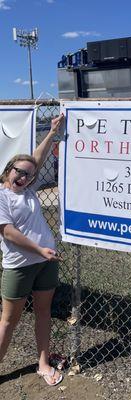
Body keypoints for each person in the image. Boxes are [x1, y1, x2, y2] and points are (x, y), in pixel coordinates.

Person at [0, 114, 64, 386]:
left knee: (43, 313)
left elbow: (36, 158)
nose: (24, 177)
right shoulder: (2, 196)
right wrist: (39, 249)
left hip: (46, 261)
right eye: (19, 172)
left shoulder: (29, 190)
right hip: (20, 265)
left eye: (28, 174)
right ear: (8, 170)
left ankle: (42, 363)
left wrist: (51, 133)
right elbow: (7, 232)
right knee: (8, 322)